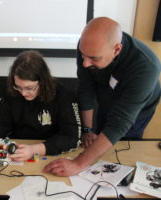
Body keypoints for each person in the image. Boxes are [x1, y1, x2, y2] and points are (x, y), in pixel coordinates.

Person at [44, 17, 161, 176]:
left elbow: (120, 122)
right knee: (96, 138)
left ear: (117, 49)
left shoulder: (146, 66)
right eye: (83, 56)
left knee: (124, 147)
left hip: (136, 110)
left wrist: (78, 163)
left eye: (93, 58)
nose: (85, 63)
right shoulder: (88, 48)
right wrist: (87, 130)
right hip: (106, 98)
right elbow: (86, 89)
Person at [0, 50, 81, 162]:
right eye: (18, 87)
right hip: (18, 149)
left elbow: (71, 138)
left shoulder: (64, 96)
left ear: (43, 81)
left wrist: (34, 149)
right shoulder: (13, 92)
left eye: (29, 88)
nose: (23, 93)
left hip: (49, 153)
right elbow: (2, 122)